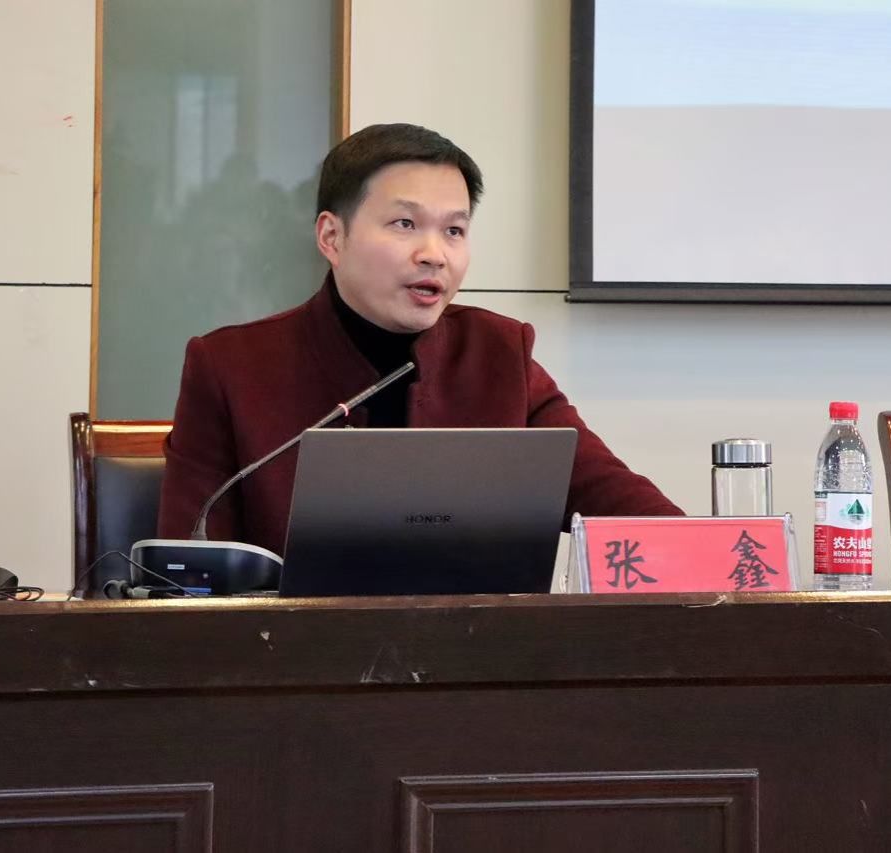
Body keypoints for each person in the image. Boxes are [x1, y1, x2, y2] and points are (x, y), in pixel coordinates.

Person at [158, 123, 682, 551]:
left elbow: (616, 501)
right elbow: (188, 572)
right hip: (292, 647)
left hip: (475, 645)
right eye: (405, 224)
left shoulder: (500, 352)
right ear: (332, 236)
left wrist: (711, 555)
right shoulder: (231, 366)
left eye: (454, 230)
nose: (434, 254)